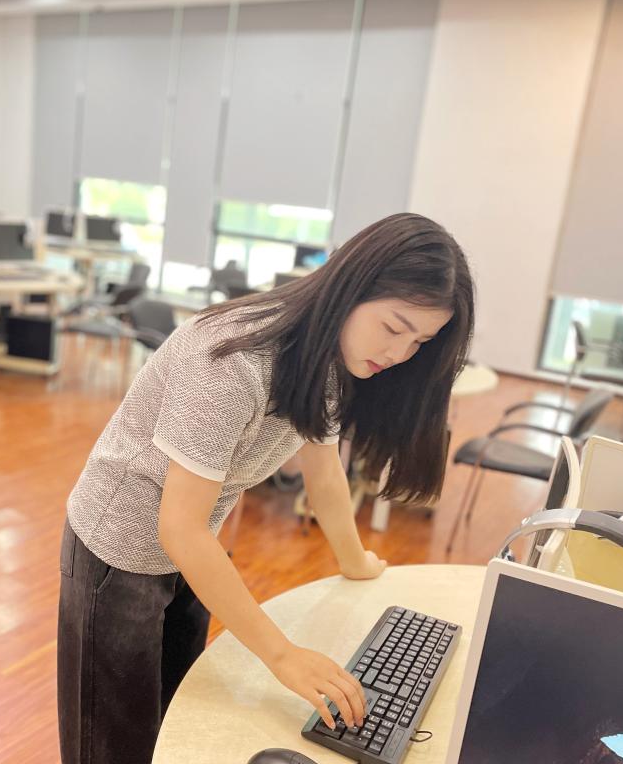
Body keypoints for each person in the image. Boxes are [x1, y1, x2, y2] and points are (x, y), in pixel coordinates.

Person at [57, 213, 475, 764]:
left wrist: (355, 561)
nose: (400, 354)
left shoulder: (330, 357)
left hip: (192, 546)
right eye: (394, 327)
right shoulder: (232, 362)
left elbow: (324, 470)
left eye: (420, 341)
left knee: (172, 718)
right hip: (119, 547)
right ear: (350, 288)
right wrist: (282, 656)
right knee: (113, 741)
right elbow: (178, 527)